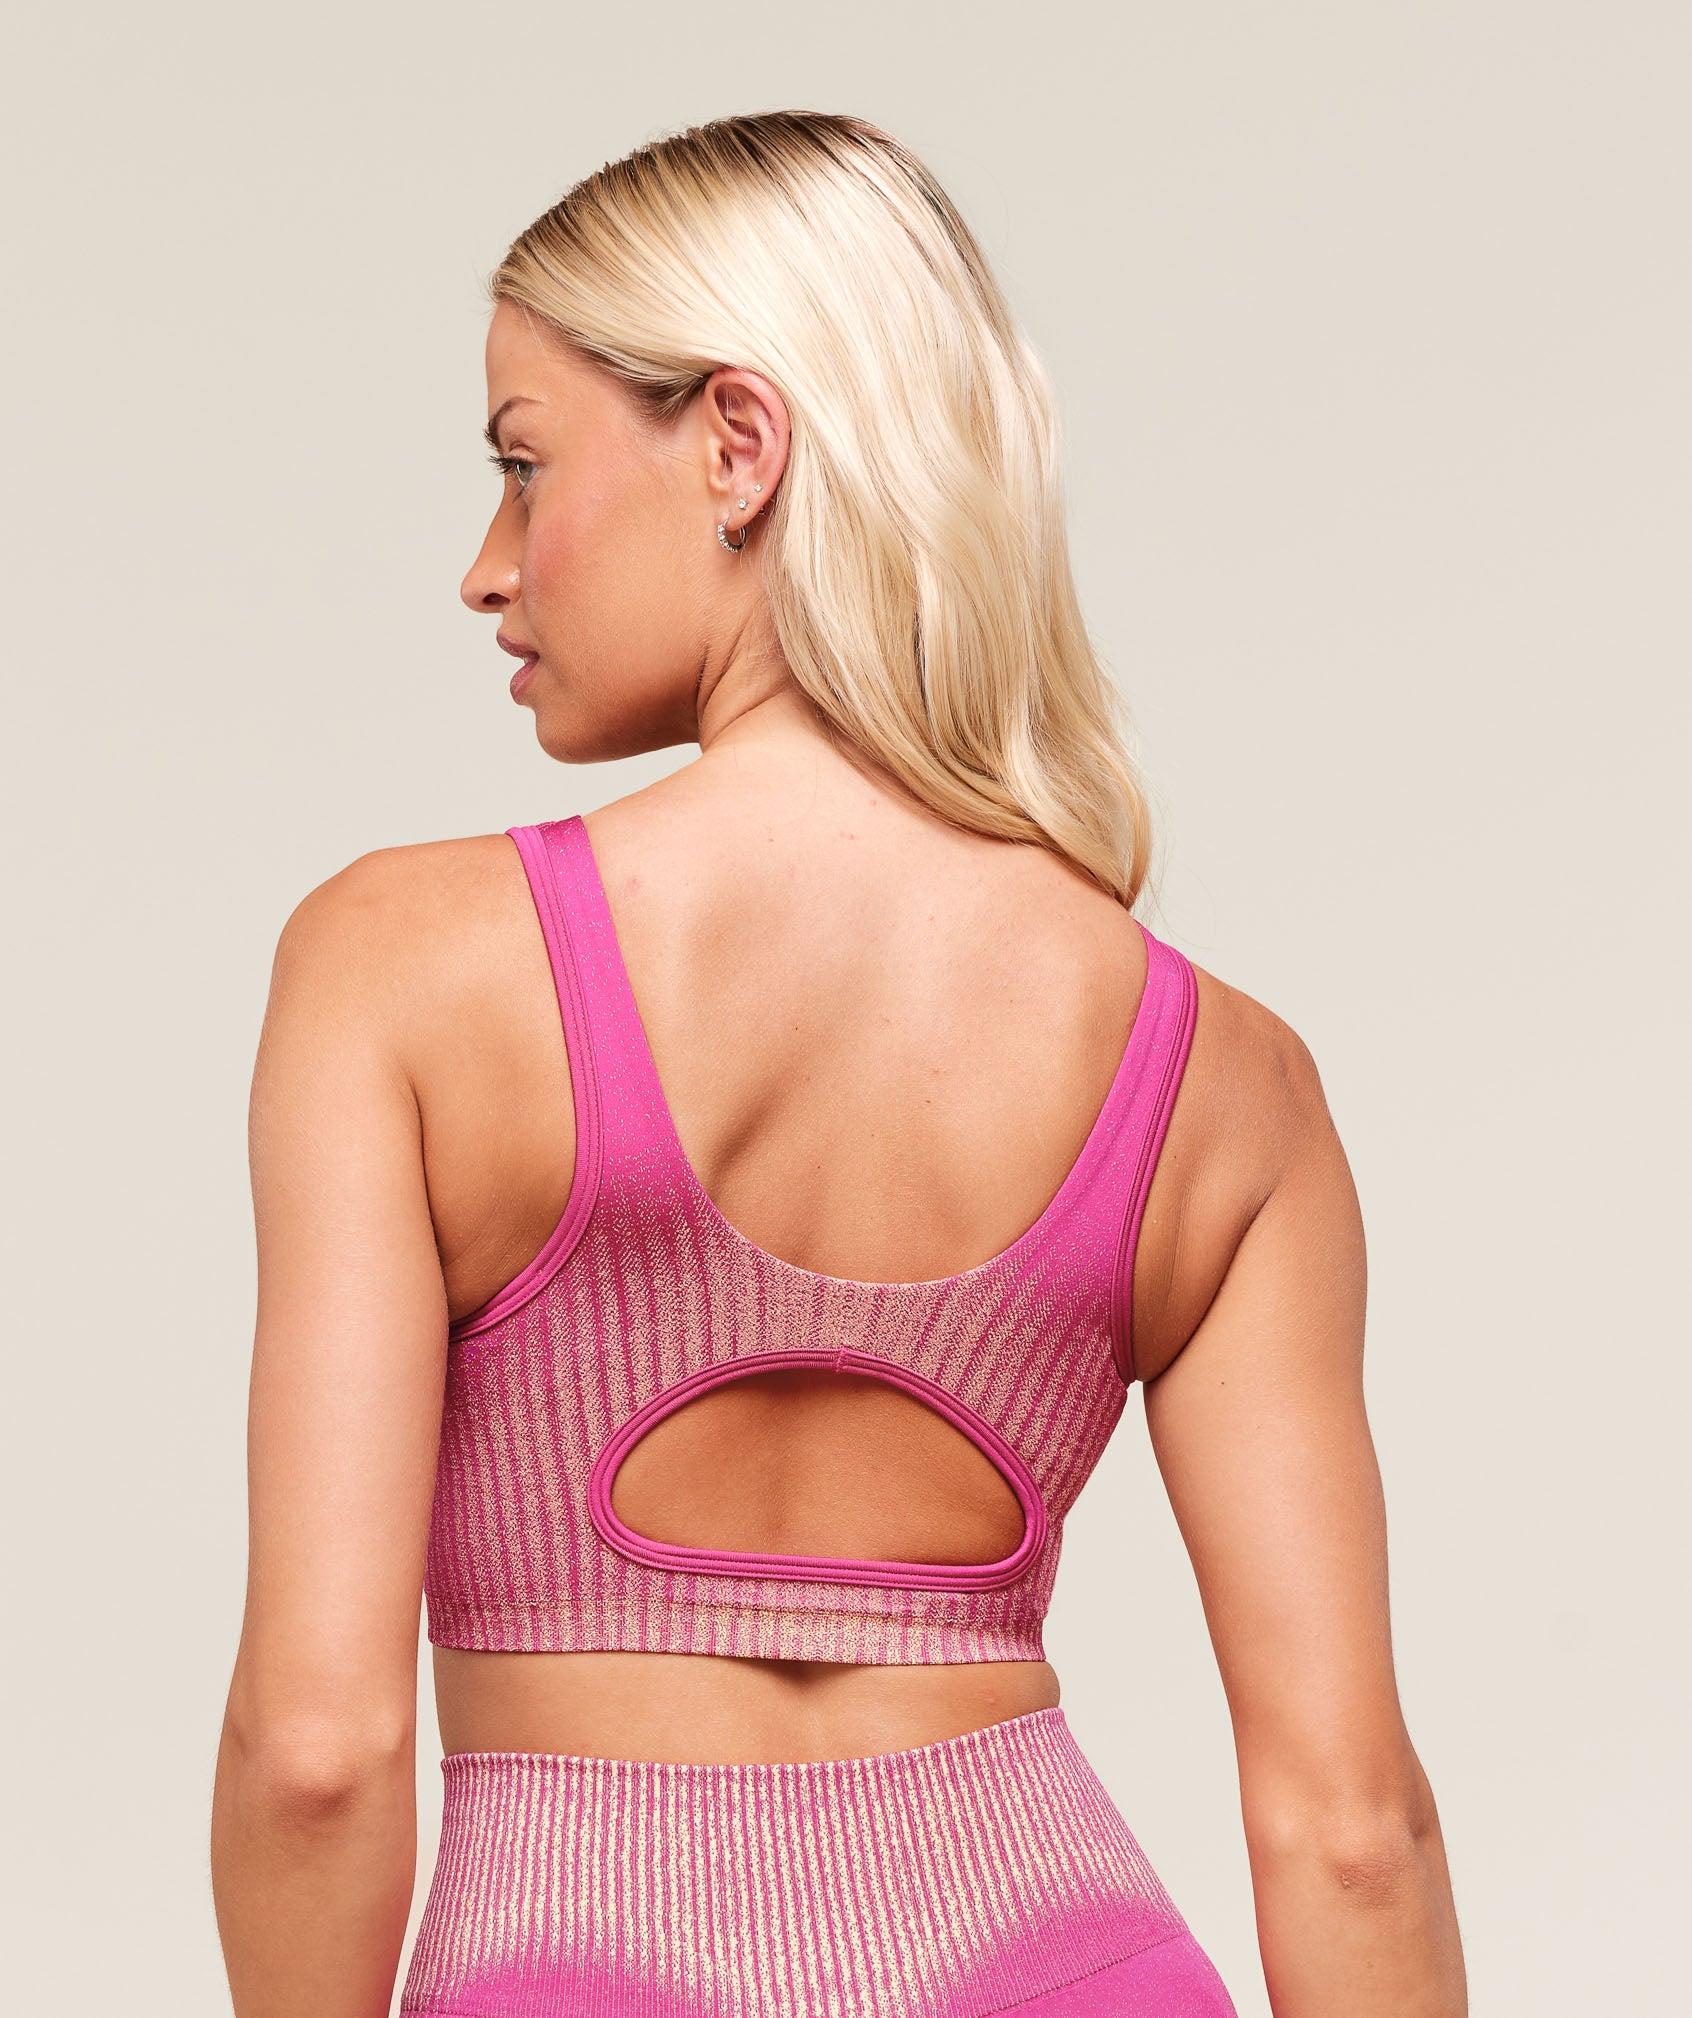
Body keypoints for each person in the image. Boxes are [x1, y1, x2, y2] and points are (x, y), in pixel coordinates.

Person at [210, 110, 1467, 2018]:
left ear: (739, 445)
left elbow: (318, 1751)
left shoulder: (400, 968)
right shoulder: (1229, 1086)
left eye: (523, 465)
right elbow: (1353, 1826)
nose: (487, 565)